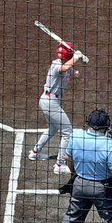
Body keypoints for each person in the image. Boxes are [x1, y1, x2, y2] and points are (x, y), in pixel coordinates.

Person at [29, 39, 87, 174]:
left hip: (50, 101)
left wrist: (83, 61)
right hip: (49, 102)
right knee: (68, 132)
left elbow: (76, 74)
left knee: (53, 128)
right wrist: (76, 57)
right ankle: (60, 165)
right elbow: (64, 69)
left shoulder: (67, 65)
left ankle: (34, 152)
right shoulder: (56, 65)